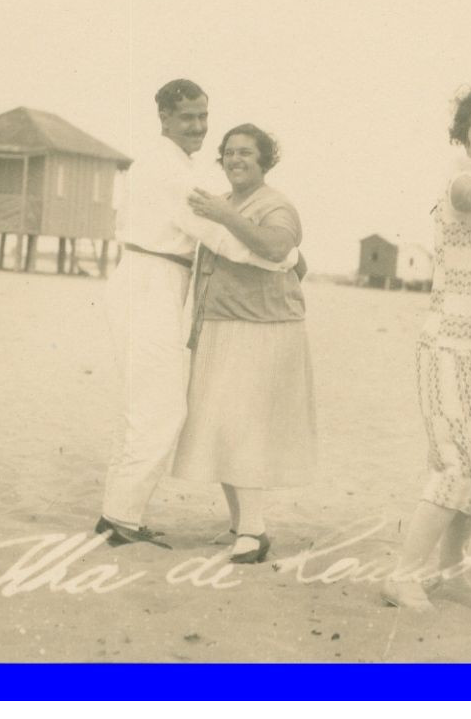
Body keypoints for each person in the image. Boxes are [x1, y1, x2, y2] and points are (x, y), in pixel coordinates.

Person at [95, 81, 299, 547]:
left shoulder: (163, 163)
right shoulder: (173, 171)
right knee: (161, 410)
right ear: (164, 117)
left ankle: (117, 512)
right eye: (188, 117)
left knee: (139, 406)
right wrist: (283, 258)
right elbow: (222, 237)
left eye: (204, 116)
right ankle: (121, 518)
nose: (199, 127)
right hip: (153, 281)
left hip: (144, 278)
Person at [381, 90, 471, 610]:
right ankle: (402, 575)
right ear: (464, 136)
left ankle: (451, 571)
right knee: (458, 466)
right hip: (447, 343)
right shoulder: (460, 177)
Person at [172, 124, 315, 564]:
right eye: (229, 152)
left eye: (247, 153)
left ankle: (254, 530)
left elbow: (280, 249)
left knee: (246, 429)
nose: (236, 160)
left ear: (264, 160)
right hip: (220, 325)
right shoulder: (226, 203)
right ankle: (241, 524)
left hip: (262, 331)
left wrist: (225, 217)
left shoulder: (276, 204)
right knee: (221, 427)